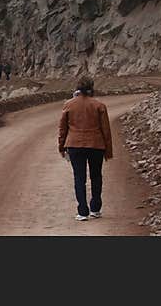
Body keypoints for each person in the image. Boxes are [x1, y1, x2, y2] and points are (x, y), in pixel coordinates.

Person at [57, 76, 113, 221]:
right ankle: (95, 208)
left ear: (77, 88)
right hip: (96, 144)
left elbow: (62, 128)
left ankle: (82, 211)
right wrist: (108, 151)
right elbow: (106, 130)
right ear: (91, 88)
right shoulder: (99, 105)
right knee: (96, 175)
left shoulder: (68, 105)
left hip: (74, 145)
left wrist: (61, 146)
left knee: (79, 177)